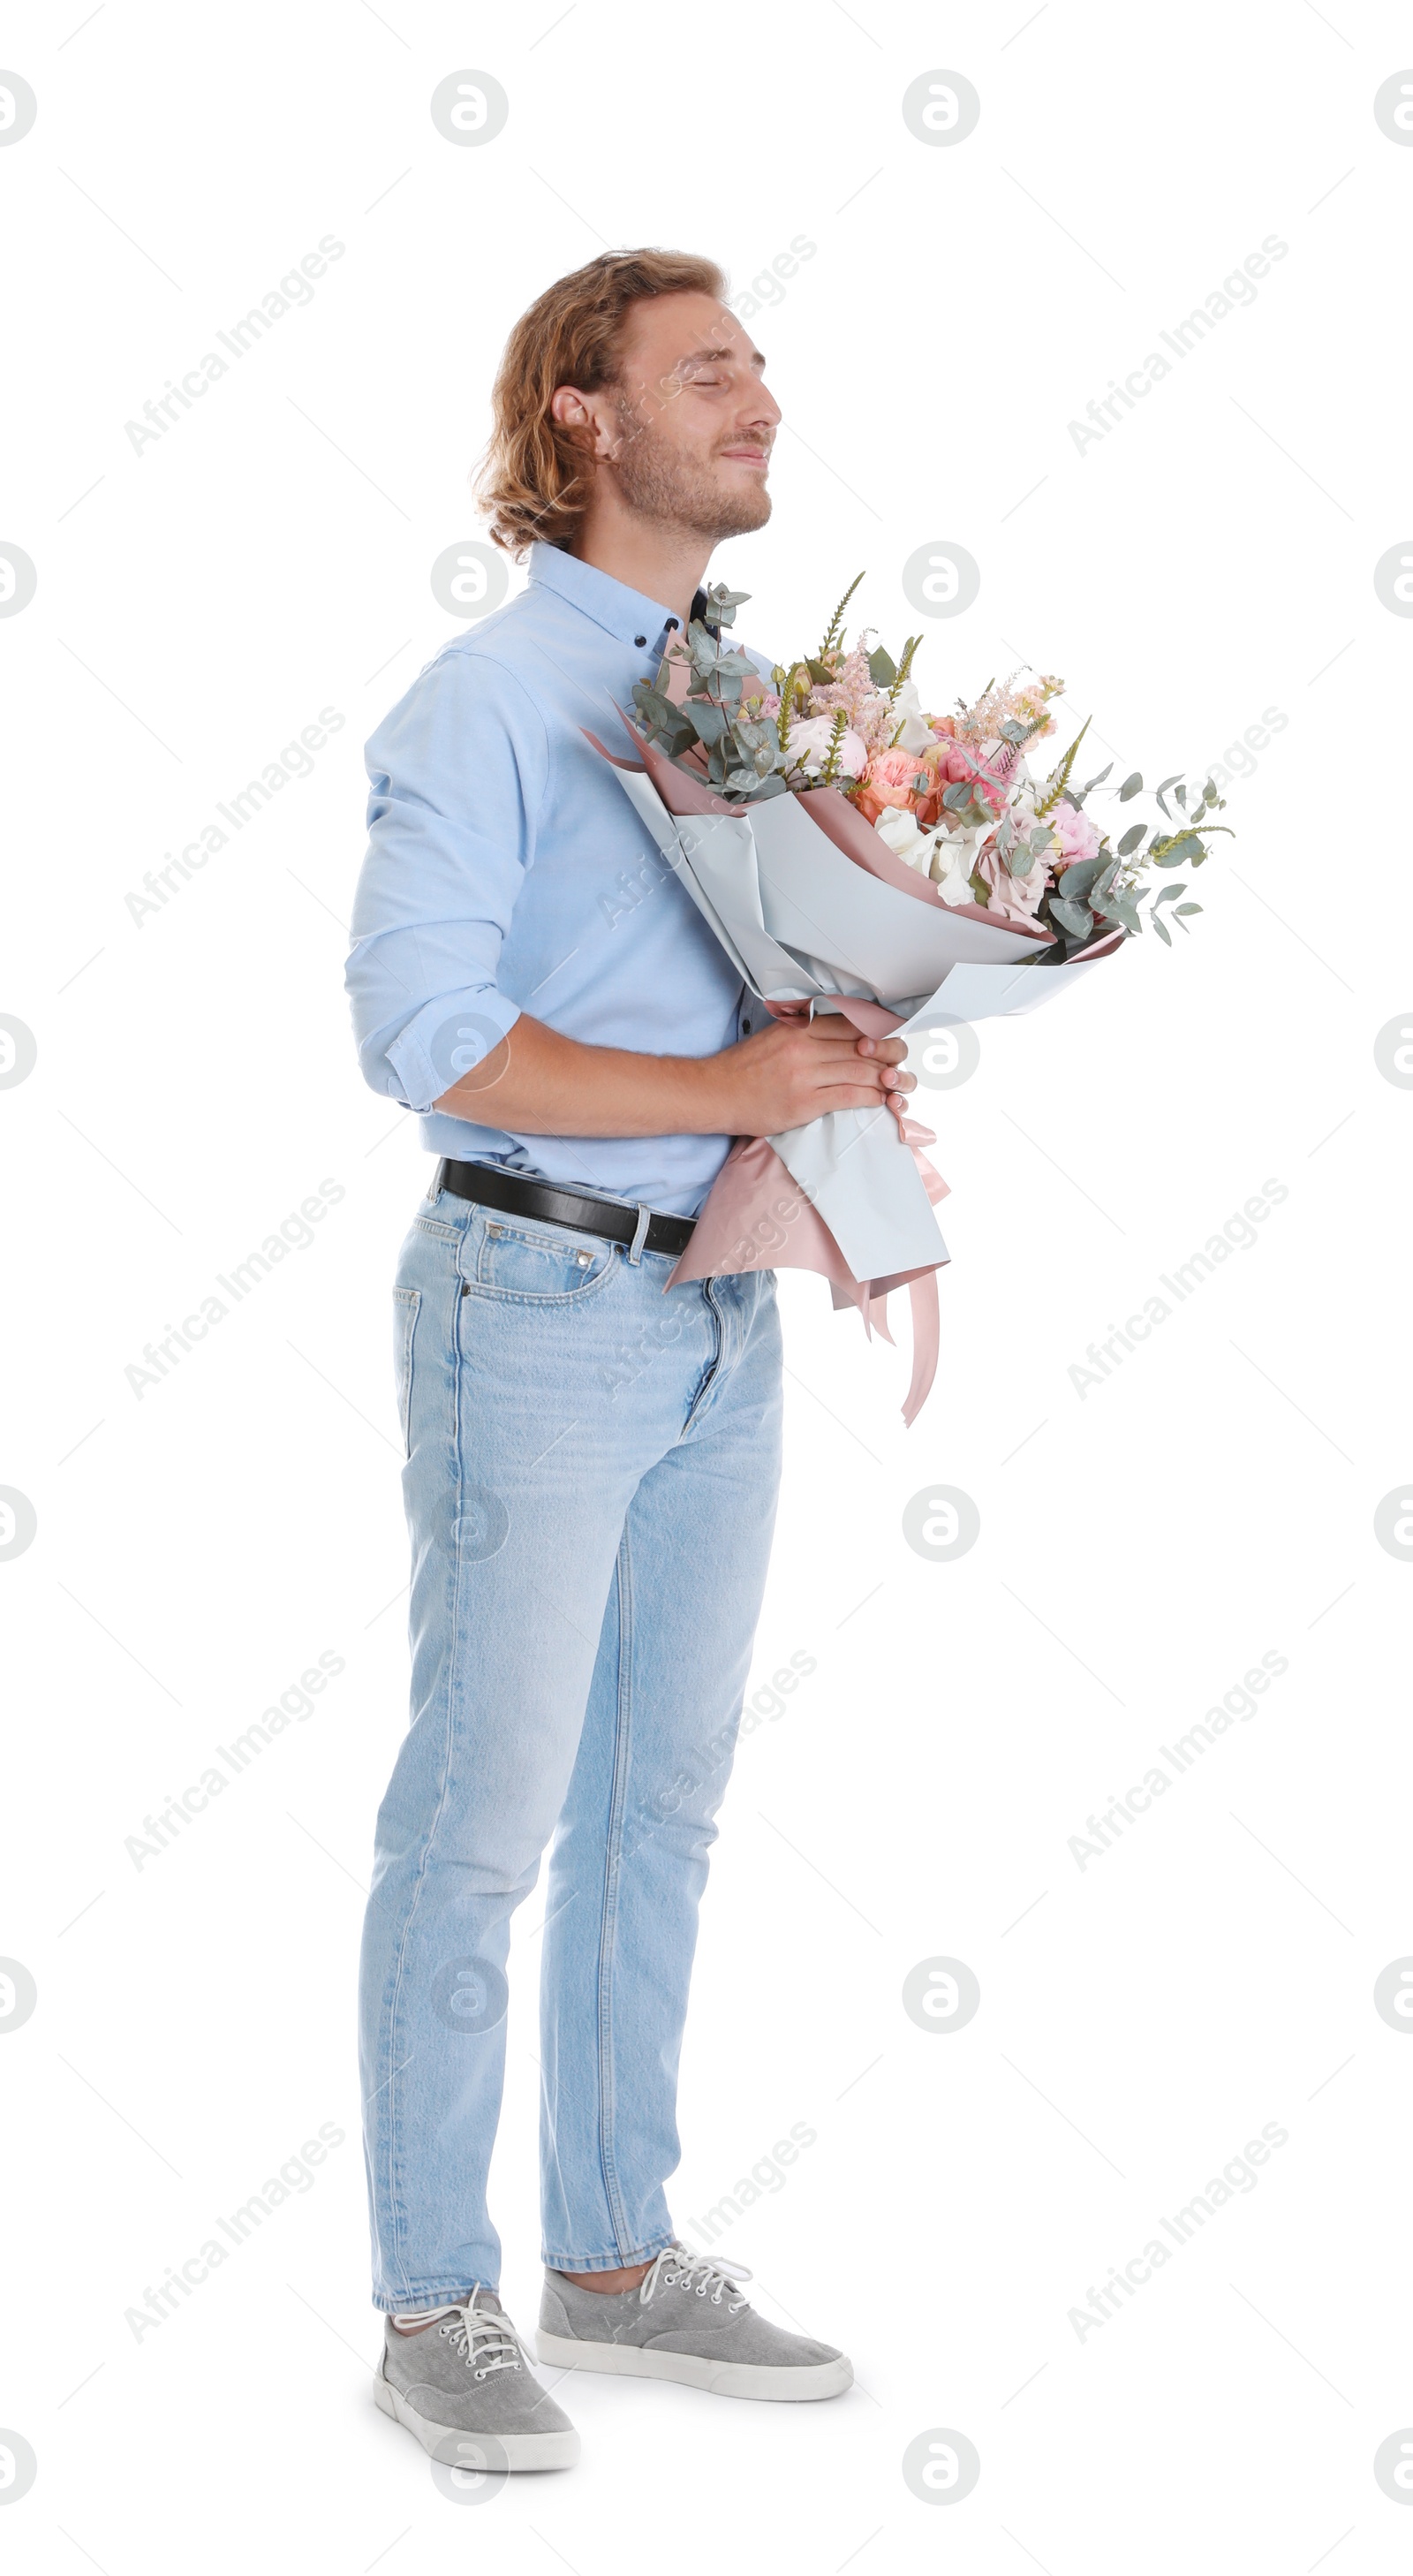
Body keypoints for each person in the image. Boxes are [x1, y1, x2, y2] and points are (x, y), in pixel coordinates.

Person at [345, 247, 914, 2471]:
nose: (756, 400)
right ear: (583, 417)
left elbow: (747, 1017)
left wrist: (837, 1049)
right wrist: (733, 1094)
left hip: (718, 1315)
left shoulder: (742, 703)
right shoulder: (482, 707)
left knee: (653, 1811)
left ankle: (610, 2258)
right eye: (706, 373)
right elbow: (421, 1039)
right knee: (477, 1828)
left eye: (761, 364)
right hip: (536, 1309)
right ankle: (430, 2303)